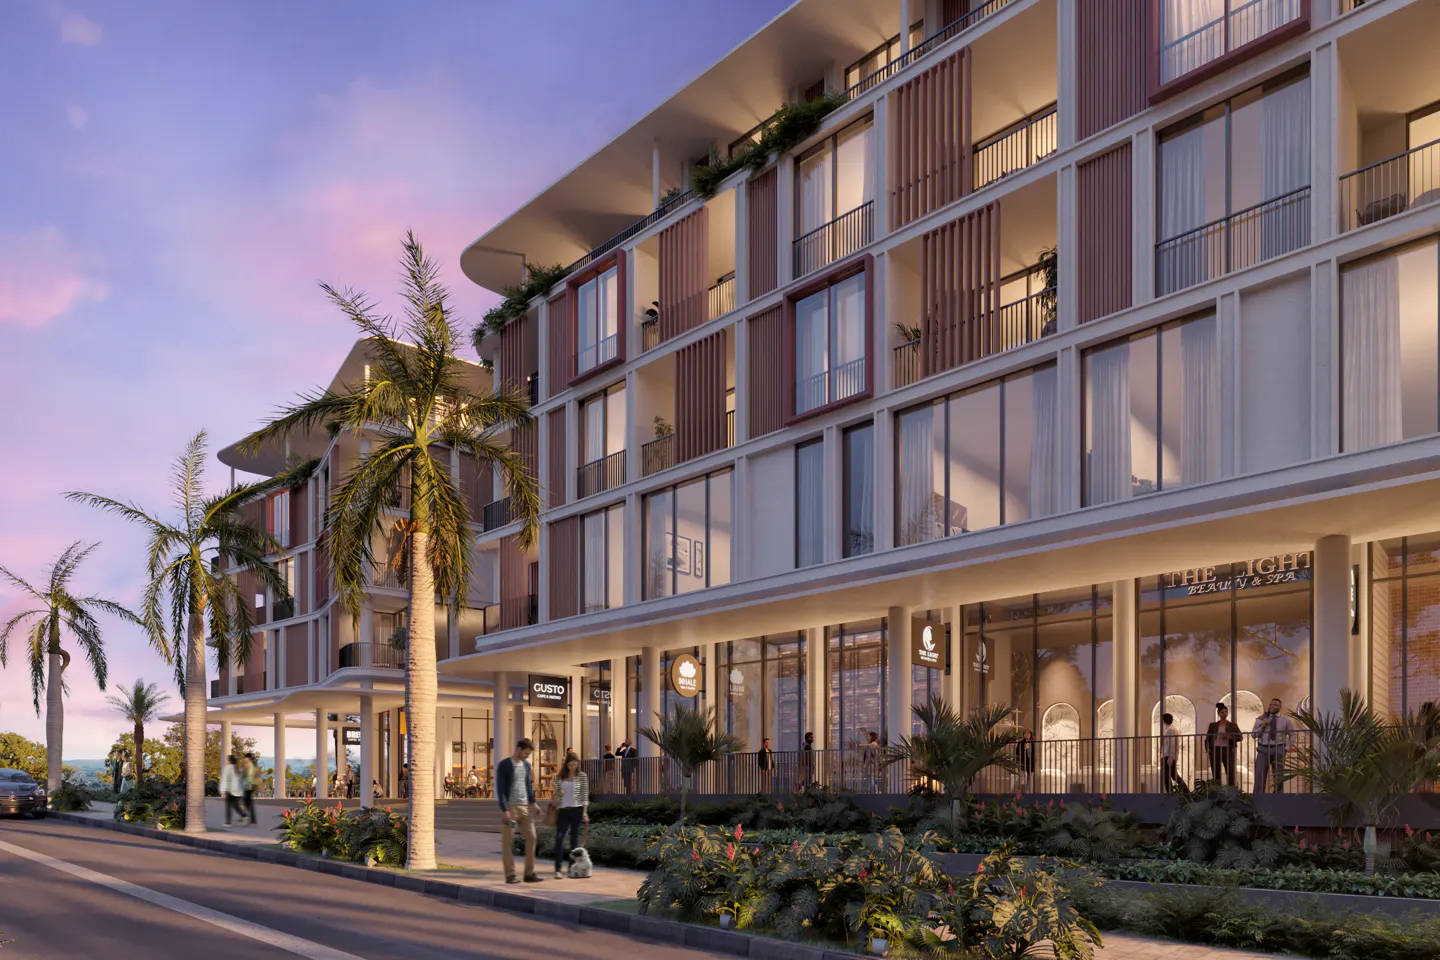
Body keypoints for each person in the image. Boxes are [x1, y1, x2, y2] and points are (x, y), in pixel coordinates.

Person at [496, 738, 541, 884]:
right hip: (511, 807)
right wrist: (504, 810)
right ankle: (510, 875)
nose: (527, 756)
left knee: (532, 837)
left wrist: (534, 803)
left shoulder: (527, 766)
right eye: (526, 753)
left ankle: (529, 873)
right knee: (508, 842)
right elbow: (501, 789)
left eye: (529, 754)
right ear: (518, 749)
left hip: (525, 807)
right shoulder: (505, 765)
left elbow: (528, 784)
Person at [551, 753, 590, 879]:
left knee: (574, 841)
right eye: (570, 764)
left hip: (577, 810)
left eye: (575, 764)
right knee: (559, 838)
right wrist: (558, 794)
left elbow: (585, 795)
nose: (572, 767)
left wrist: (584, 812)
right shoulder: (560, 777)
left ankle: (571, 868)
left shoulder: (582, 776)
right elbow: (555, 797)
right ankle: (558, 869)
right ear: (566, 764)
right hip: (563, 811)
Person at [1252, 698, 1295, 794]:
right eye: (1271, 704)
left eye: (1275, 705)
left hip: (1278, 748)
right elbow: (1253, 735)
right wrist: (1262, 726)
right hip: (1263, 749)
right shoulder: (1261, 719)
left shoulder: (1285, 720)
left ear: (1280, 707)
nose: (1272, 706)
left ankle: (1278, 796)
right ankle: (1258, 796)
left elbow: (1292, 734)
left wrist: (1286, 748)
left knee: (1278, 775)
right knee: (1259, 774)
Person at [1205, 703, 1241, 786]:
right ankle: (1218, 791)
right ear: (1218, 713)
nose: (1224, 714)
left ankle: (1231, 790)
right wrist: (1208, 750)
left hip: (1227, 749)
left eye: (1226, 712)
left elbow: (1240, 737)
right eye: (1222, 712)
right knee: (1216, 771)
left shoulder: (1232, 725)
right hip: (1215, 749)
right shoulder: (1213, 725)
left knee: (1230, 771)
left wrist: (1229, 736)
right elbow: (1208, 738)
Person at [1159, 714, 1183, 793]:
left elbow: (1171, 743)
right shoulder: (1174, 729)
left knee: (1166, 776)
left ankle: (1170, 793)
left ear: (1163, 721)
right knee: (1174, 775)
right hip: (1170, 755)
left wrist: (1171, 757)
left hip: (1167, 755)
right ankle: (1186, 790)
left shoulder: (1170, 730)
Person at [220, 754, 246, 826]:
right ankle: (244, 815)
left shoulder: (227, 768)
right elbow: (242, 780)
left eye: (227, 760)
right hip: (238, 790)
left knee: (229, 806)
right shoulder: (239, 769)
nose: (226, 761)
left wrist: (223, 791)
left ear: (229, 761)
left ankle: (228, 822)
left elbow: (224, 780)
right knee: (236, 805)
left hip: (230, 790)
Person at [240, 754, 259, 825]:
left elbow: (244, 776)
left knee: (245, 802)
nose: (244, 759)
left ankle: (246, 817)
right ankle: (252, 819)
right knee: (249, 802)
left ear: (248, 758)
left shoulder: (247, 766)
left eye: (245, 758)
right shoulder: (252, 766)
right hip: (251, 786)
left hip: (248, 786)